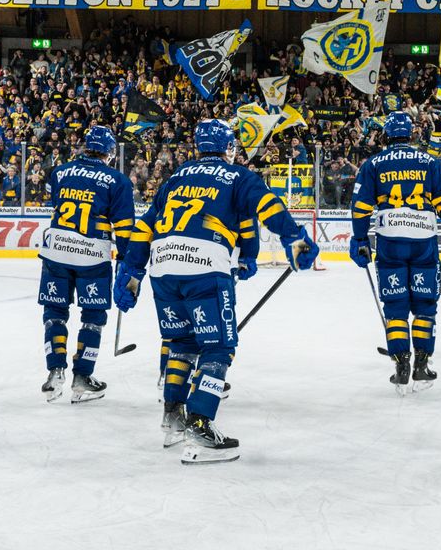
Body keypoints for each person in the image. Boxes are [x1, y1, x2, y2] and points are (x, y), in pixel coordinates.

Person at [115, 120, 315, 463]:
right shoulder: (238, 176)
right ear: (229, 148)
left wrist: (131, 270)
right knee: (219, 347)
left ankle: (173, 418)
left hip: (162, 267)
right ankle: (200, 423)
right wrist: (294, 237)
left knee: (181, 345)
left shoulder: (175, 178)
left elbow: (145, 223)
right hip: (205, 266)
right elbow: (268, 207)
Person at [350, 111, 441, 393]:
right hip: (423, 241)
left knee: (395, 307)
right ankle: (421, 364)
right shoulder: (430, 162)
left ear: (386, 135)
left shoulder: (373, 163)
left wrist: (359, 239)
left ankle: (401, 365)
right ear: (412, 134)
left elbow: (360, 206)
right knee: (425, 304)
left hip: (390, 241)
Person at [36, 124, 134, 403]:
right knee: (93, 317)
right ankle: (82, 377)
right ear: (110, 153)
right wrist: (127, 261)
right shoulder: (117, 180)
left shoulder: (60, 171)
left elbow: (57, 201)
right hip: (92, 255)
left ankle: (55, 373)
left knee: (54, 312)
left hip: (56, 251)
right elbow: (125, 228)